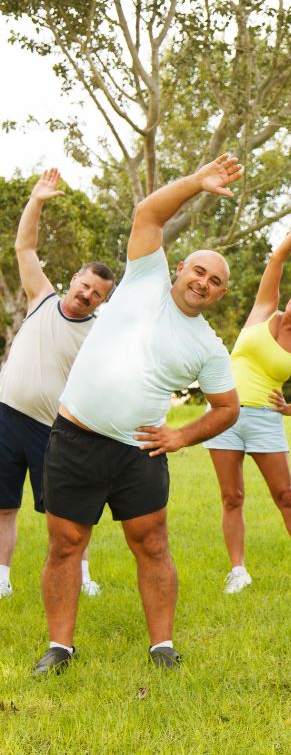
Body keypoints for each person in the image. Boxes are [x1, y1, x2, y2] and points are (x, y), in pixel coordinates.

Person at [32, 154, 243, 676]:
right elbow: (148, 215)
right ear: (180, 268)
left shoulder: (210, 347)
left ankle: (161, 647)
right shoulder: (144, 277)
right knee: (66, 544)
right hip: (76, 438)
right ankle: (60, 648)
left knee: (151, 543)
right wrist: (197, 183)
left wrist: (180, 436)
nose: (204, 282)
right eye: (199, 269)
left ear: (220, 295)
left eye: (215, 281)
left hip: (139, 453)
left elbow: (228, 409)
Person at [206, 214, 291, 594]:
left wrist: (289, 409)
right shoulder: (265, 308)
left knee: (285, 495)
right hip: (223, 416)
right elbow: (278, 257)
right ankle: (238, 571)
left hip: (265, 420)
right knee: (231, 497)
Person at [0, 168, 115, 600]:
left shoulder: (98, 335)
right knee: (3, 505)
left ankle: (82, 575)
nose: (87, 295)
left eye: (96, 295)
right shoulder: (42, 299)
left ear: (101, 302)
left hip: (53, 432)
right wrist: (37, 200)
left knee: (67, 512)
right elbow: (24, 247)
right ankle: (2, 579)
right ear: (74, 280)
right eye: (85, 285)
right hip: (6, 415)